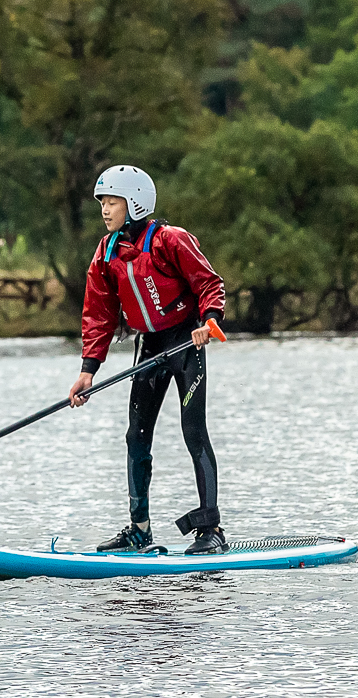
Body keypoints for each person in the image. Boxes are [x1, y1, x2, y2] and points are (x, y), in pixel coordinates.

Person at [68, 164, 229, 555]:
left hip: (186, 344)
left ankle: (211, 530)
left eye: (113, 202)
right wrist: (88, 372)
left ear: (135, 203)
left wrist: (209, 321)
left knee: (194, 433)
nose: (105, 210)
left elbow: (209, 283)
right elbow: (98, 315)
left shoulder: (169, 240)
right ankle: (140, 531)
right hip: (151, 348)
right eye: (102, 202)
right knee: (135, 438)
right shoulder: (106, 254)